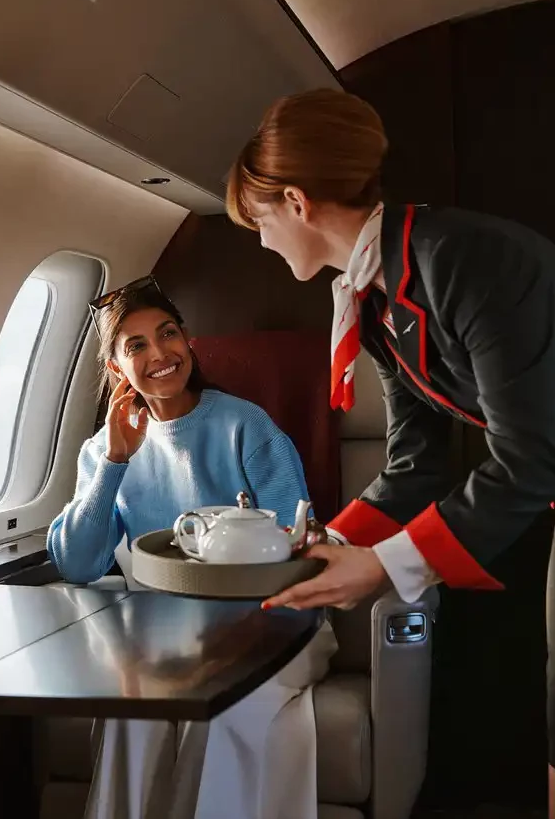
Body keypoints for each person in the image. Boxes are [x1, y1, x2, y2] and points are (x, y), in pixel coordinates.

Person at [225, 87, 555, 819]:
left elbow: (525, 462)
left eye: (259, 220)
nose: (260, 238)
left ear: (296, 202)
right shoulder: (373, 298)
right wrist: (325, 546)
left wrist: (381, 567)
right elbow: (417, 462)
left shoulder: (467, 261)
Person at [47, 276, 338, 819]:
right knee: (131, 714)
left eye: (168, 334)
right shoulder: (104, 452)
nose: (160, 354)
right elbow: (79, 564)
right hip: (166, 641)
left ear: (188, 341)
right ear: (116, 370)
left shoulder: (245, 425)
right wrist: (114, 462)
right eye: (136, 346)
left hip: (271, 629)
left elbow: (299, 547)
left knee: (225, 711)